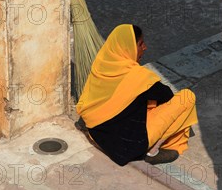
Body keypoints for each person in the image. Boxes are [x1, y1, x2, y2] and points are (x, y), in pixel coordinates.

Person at [76, 24, 198, 166]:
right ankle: (171, 147)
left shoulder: (100, 65)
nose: (144, 47)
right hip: (129, 147)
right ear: (129, 48)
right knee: (186, 97)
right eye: (140, 44)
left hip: (98, 135)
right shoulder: (138, 78)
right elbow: (167, 96)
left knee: (137, 101)